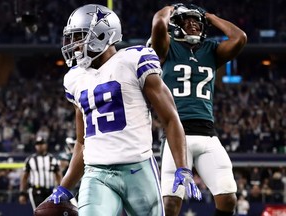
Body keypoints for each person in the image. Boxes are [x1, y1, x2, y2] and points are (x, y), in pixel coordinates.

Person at [48, 4, 202, 216]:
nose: (74, 45)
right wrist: (64, 186)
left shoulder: (134, 59)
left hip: (138, 169)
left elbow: (170, 118)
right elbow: (82, 142)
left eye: (80, 36)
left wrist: (182, 166)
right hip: (96, 173)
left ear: (103, 34)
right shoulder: (75, 78)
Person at [149, 3, 247, 216]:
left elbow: (239, 38)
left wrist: (211, 17)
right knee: (170, 205)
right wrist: (170, 9)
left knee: (228, 198)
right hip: (177, 135)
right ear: (176, 25)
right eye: (188, 21)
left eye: (198, 22)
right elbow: (158, 22)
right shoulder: (167, 47)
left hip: (207, 135)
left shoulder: (210, 50)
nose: (194, 25)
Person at [19, 136, 62, 210]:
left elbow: (59, 175)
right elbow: (24, 177)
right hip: (36, 191)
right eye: (38, 144)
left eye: (41, 143)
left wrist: (61, 190)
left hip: (50, 191)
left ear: (46, 145)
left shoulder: (52, 159)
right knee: (39, 212)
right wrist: (23, 193)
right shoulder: (30, 160)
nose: (40, 146)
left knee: (51, 213)